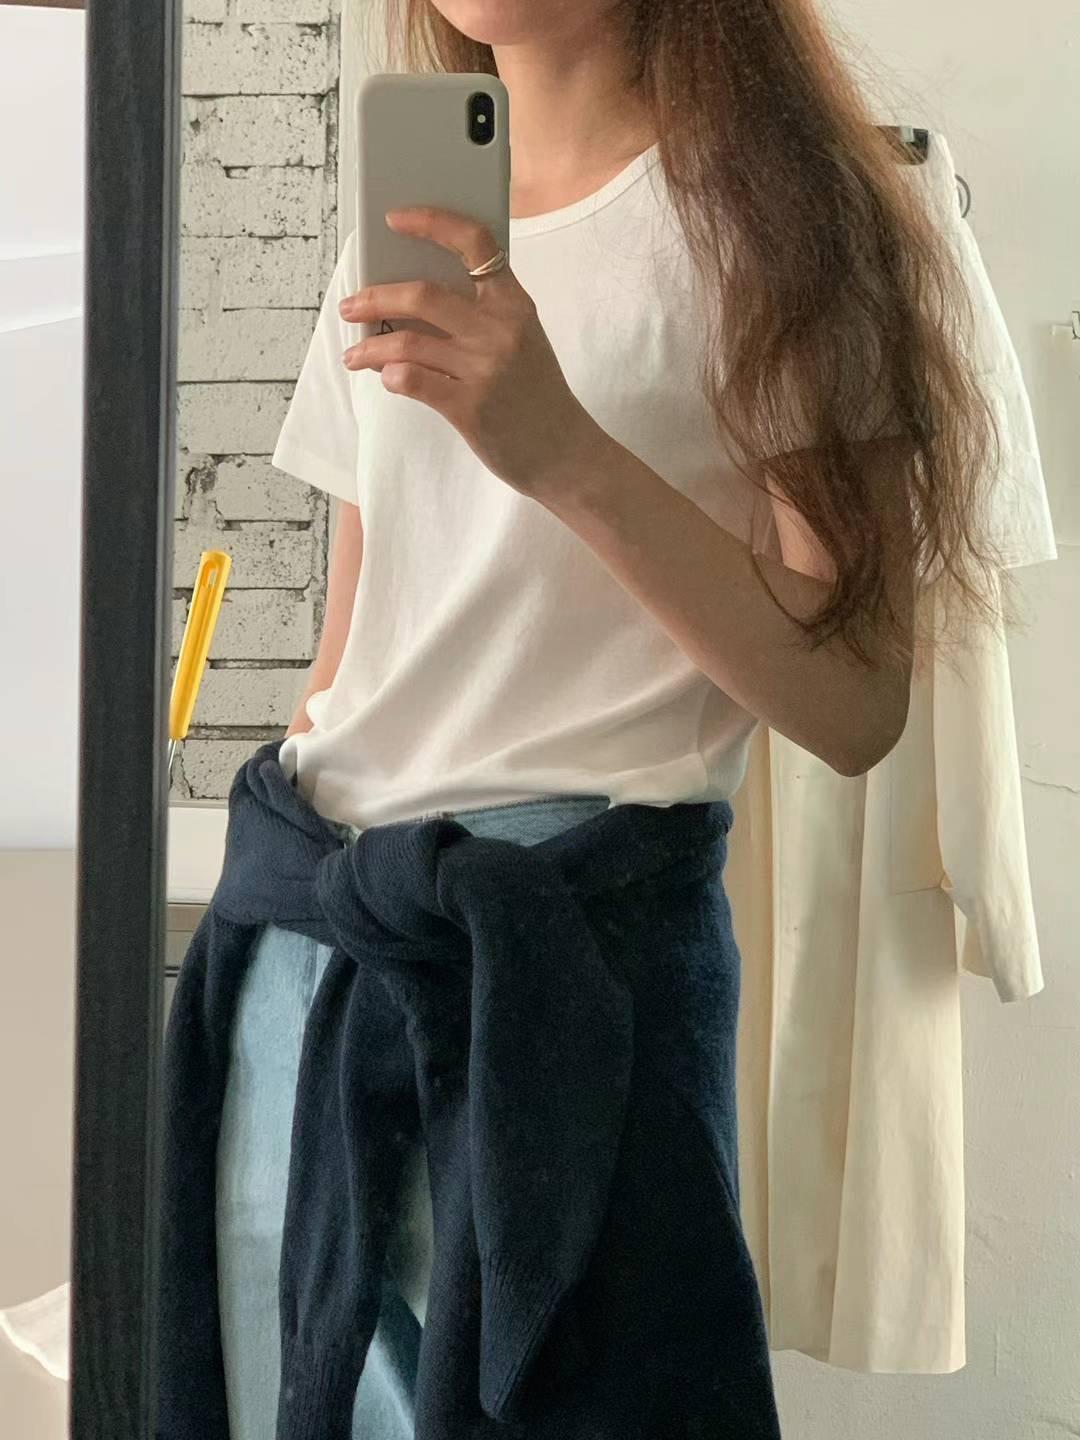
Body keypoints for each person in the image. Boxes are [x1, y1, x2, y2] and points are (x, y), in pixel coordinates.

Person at [213, 2, 1005, 1436]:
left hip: (573, 981)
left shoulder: (790, 221)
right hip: (317, 955)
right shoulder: (405, 218)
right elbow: (355, 652)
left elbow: (855, 702)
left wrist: (561, 447)